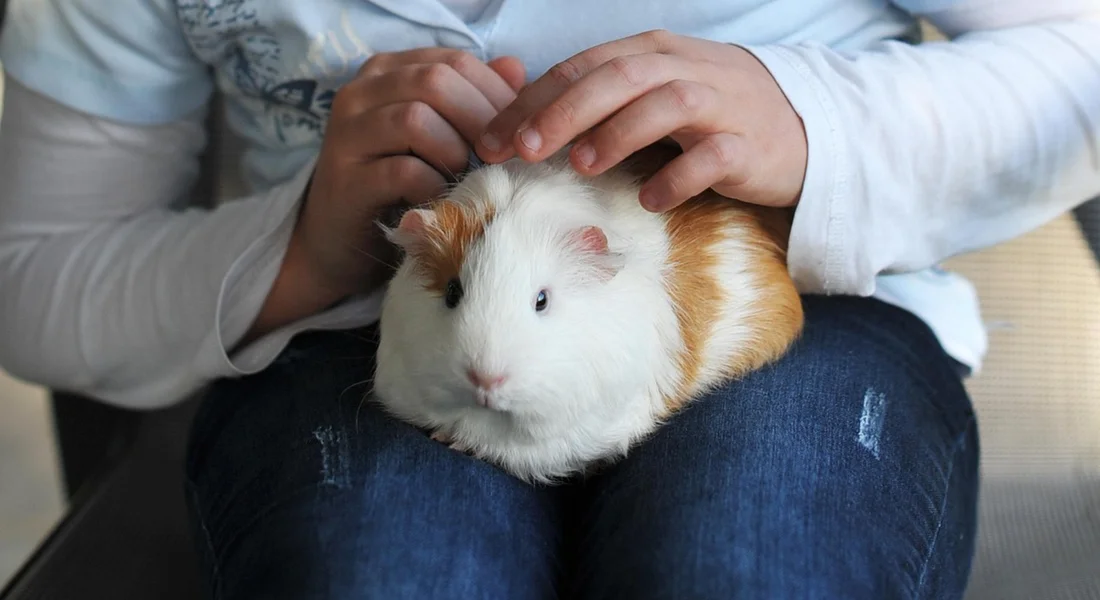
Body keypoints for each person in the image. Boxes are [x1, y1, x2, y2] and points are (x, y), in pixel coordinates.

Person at [0, 0, 1097, 597]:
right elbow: (31, 277)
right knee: (383, 572)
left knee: (747, 567)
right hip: (345, 336)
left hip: (815, 314)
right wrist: (299, 243)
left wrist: (811, 121)